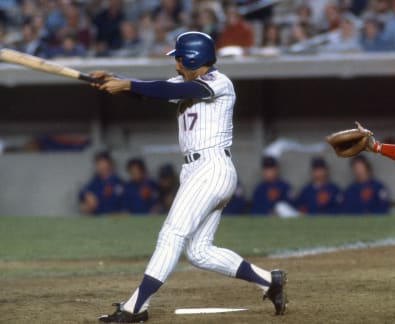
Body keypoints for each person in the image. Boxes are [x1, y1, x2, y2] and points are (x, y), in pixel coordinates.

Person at [90, 31, 287, 323]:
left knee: (171, 234)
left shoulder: (218, 82)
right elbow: (149, 91)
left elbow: (169, 91)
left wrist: (127, 83)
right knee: (199, 251)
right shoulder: (185, 83)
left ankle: (136, 308)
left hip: (211, 168)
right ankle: (269, 281)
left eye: (180, 58)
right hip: (199, 171)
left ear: (193, 58)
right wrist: (114, 80)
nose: (177, 63)